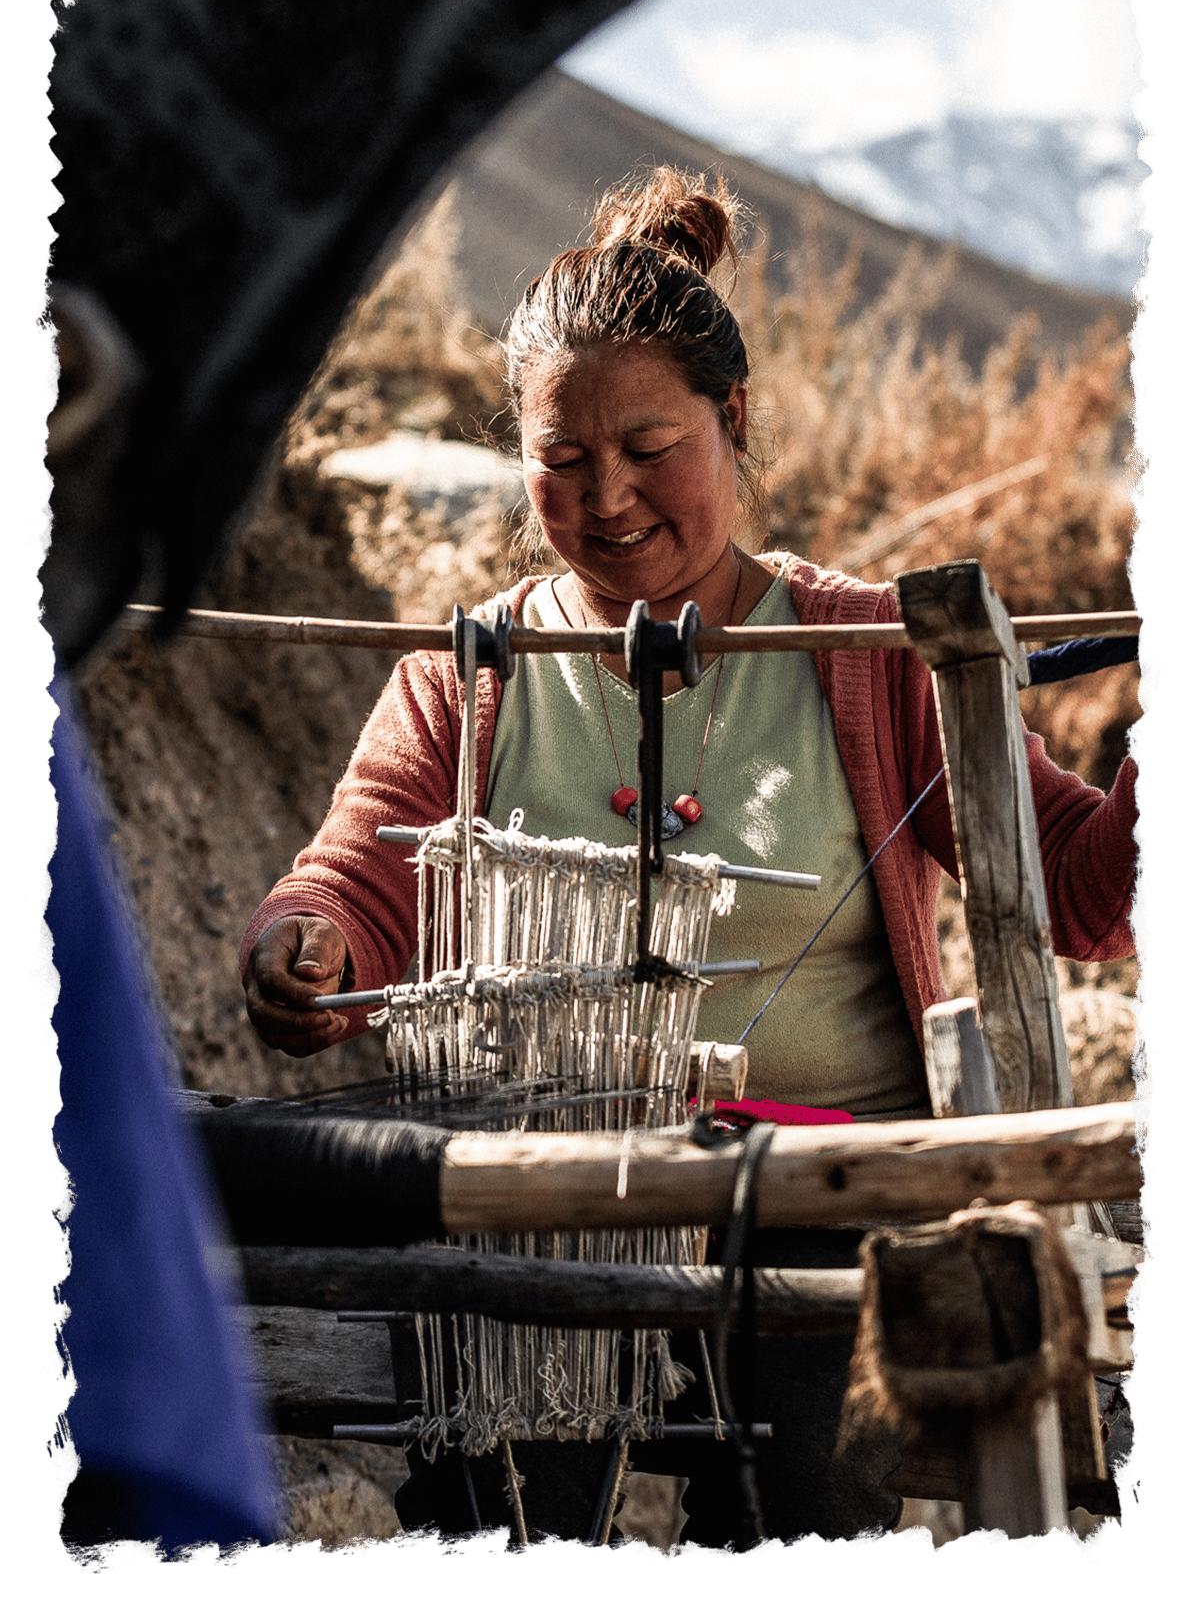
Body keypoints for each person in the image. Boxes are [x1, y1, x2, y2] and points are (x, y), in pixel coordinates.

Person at [240, 167, 1139, 1549]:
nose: (605, 499)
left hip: (826, 1198)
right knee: (494, 1500)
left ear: (732, 422)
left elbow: (1079, 883)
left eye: (650, 446)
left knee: (795, 1504)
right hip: (542, 1199)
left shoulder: (866, 654)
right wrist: (305, 950)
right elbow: (358, 880)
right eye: (560, 459)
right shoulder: (469, 677)